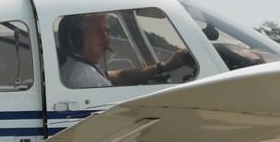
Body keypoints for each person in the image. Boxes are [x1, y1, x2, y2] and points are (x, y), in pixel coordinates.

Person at [58, 12, 195, 88]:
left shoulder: (82, 67)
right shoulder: (84, 75)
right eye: (98, 32)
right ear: (77, 37)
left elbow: (119, 76)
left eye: (107, 31)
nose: (106, 38)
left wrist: (165, 67)